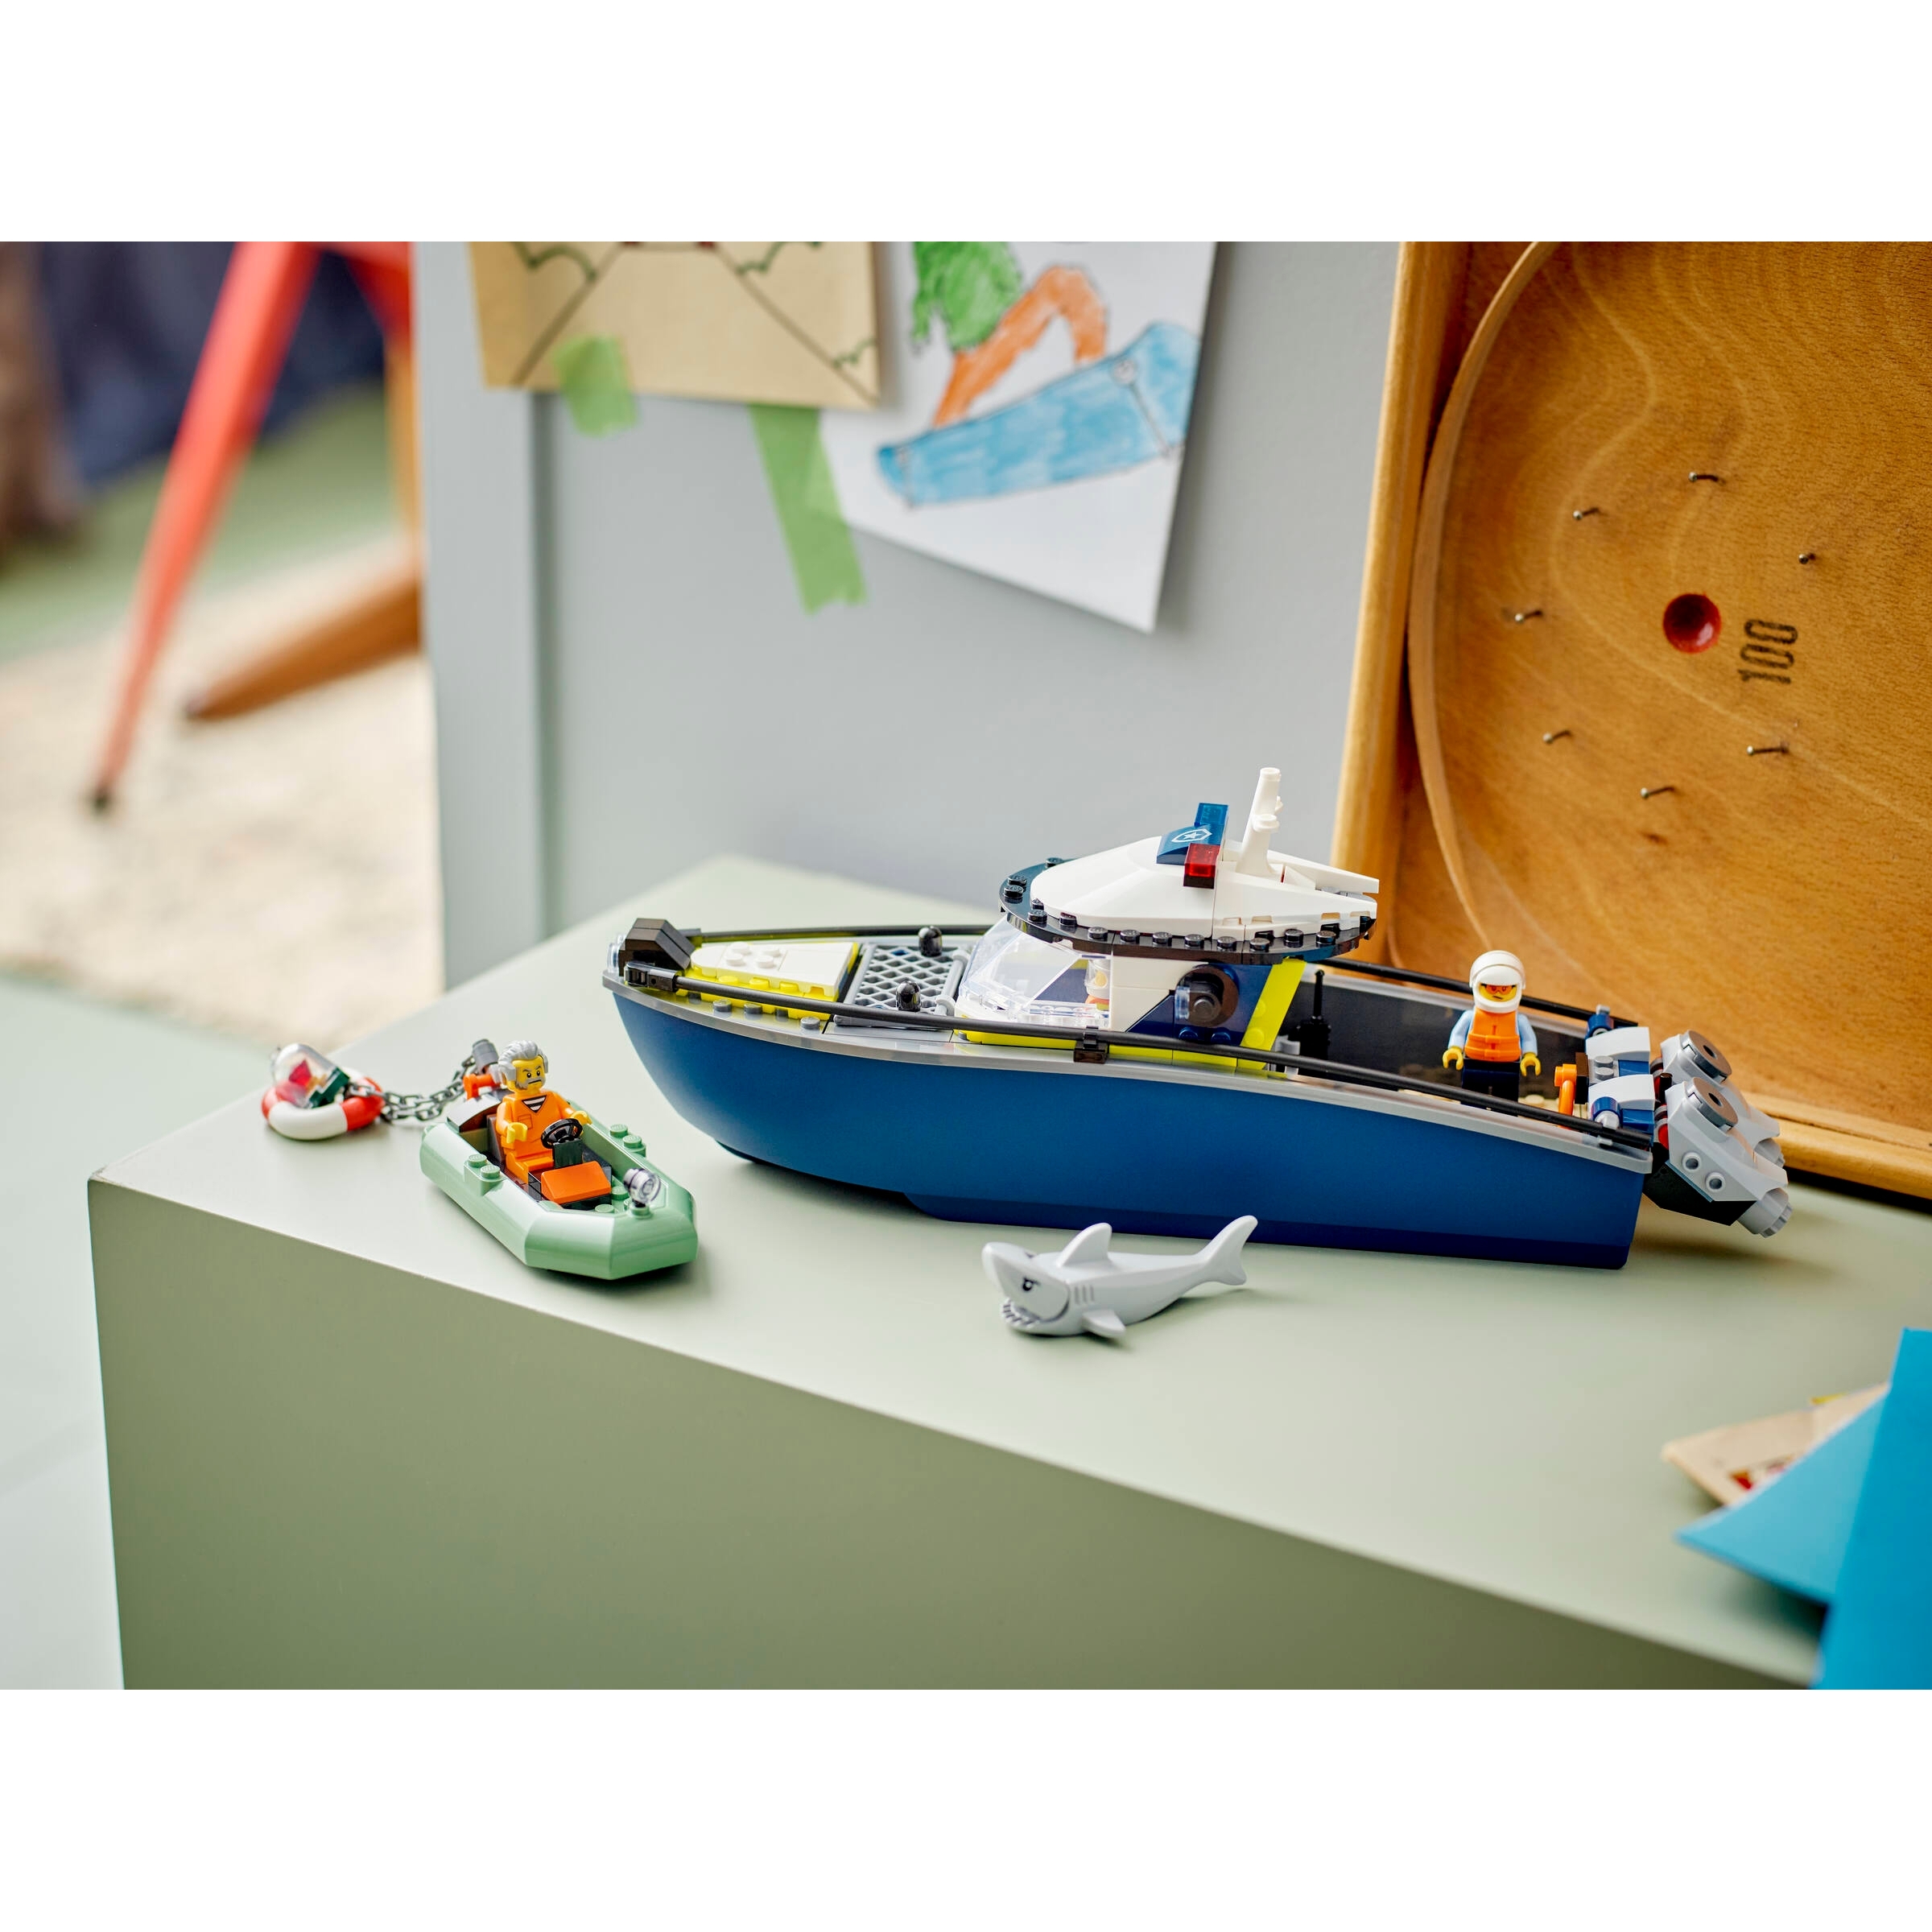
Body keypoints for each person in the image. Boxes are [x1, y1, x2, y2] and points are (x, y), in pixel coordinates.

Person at [490, 1040, 595, 1191]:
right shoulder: (508, 1105)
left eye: (538, 1072)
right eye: (527, 1074)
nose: (534, 1077)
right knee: (538, 1181)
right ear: (509, 1076)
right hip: (523, 1157)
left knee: (576, 1165)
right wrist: (510, 1128)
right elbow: (501, 1123)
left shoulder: (552, 1097)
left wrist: (575, 1115)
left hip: (557, 1149)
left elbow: (566, 1110)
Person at [1443, 949, 1541, 1104]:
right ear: (1477, 985)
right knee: (1473, 1100)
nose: (1499, 994)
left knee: (1505, 1101)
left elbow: (1528, 1039)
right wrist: (1455, 1048)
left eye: (1505, 989)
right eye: (1492, 989)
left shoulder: (1519, 1020)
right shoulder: (1470, 1016)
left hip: (1508, 1066)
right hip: (1474, 1063)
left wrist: (1530, 1055)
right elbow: (1459, 1034)